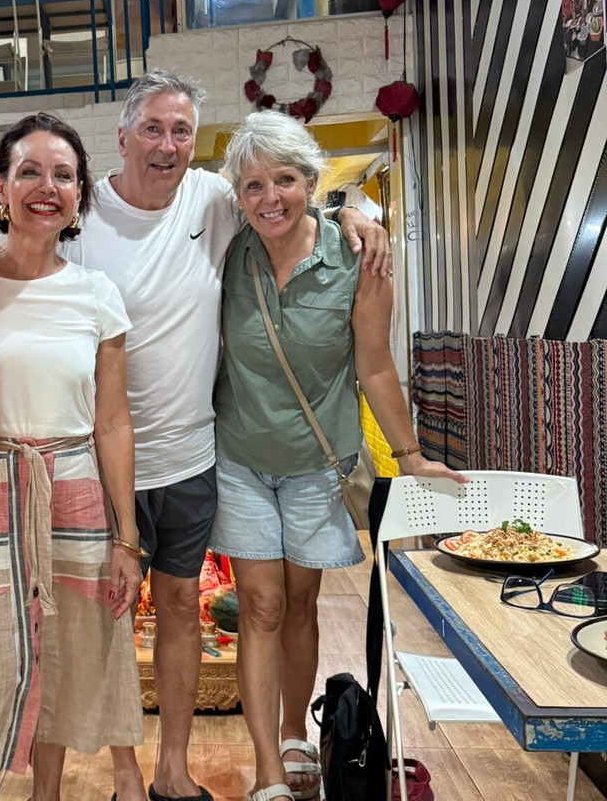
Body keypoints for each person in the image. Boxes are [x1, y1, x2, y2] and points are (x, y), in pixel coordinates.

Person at [60, 70, 391, 801]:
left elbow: (286, 195)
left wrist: (355, 212)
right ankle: (124, 772)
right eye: (152, 128)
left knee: (181, 609)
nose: (167, 144)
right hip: (102, 459)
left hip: (190, 456)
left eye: (180, 130)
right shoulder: (82, 217)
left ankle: (173, 770)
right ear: (122, 136)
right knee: (107, 620)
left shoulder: (212, 198)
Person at [211, 110, 466, 801]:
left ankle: (295, 730)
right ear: (238, 195)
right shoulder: (228, 250)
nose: (270, 198)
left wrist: (410, 456)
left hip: (317, 465)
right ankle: (268, 770)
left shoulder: (357, 260)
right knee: (261, 605)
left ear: (311, 182)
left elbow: (375, 366)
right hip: (239, 457)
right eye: (254, 185)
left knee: (300, 604)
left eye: (285, 181)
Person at [0, 113, 146, 801]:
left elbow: (112, 423)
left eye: (63, 175)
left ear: (79, 194)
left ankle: (47, 795)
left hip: (74, 486)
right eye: (28, 171)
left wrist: (127, 539)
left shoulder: (97, 294)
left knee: (62, 653)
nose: (46, 187)